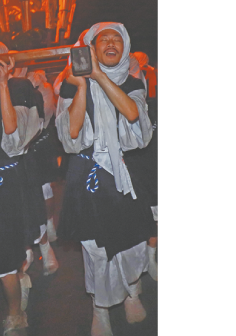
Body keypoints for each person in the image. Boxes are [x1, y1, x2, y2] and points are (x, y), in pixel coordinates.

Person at [56, 23, 155, 336]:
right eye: (104, 40)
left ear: (124, 46)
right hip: (89, 177)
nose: (111, 43)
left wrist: (98, 76)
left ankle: (132, 292)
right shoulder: (71, 84)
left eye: (117, 39)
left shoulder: (132, 80)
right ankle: (100, 309)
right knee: (96, 249)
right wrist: (83, 86)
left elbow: (133, 114)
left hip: (127, 173)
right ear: (91, 47)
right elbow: (72, 134)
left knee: (132, 244)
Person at [0, 40, 47, 334]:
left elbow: (12, 132)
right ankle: (17, 276)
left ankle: (16, 311)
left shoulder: (18, 86)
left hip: (5, 178)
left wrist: (3, 84)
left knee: (4, 244)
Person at [17, 68, 61, 273]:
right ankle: (27, 250)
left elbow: (45, 115)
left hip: (38, 145)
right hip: (14, 155)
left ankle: (47, 233)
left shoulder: (39, 87)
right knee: (21, 204)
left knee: (42, 191)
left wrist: (34, 88)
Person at [127, 51, 159, 280]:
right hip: (129, 171)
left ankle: (151, 257)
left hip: (153, 169)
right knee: (137, 221)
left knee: (154, 218)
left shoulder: (153, 104)